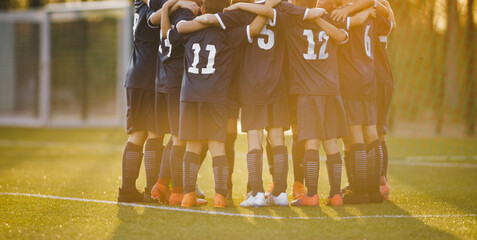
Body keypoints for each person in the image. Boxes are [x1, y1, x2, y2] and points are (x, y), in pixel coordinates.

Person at [161, 0, 276, 207]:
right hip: (215, 96)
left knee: (192, 148)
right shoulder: (228, 35)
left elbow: (166, 34)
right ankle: (220, 196)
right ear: (223, 11)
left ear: (203, 9)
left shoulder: (189, 31)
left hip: (190, 96)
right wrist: (262, 10)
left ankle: (188, 196)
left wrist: (165, 8)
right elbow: (256, 28)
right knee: (217, 147)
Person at [117, 0, 167, 203]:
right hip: (150, 75)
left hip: (136, 74)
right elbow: (161, 13)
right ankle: (152, 191)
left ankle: (127, 191)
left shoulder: (140, 3)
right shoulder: (155, 4)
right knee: (155, 133)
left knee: (138, 134)